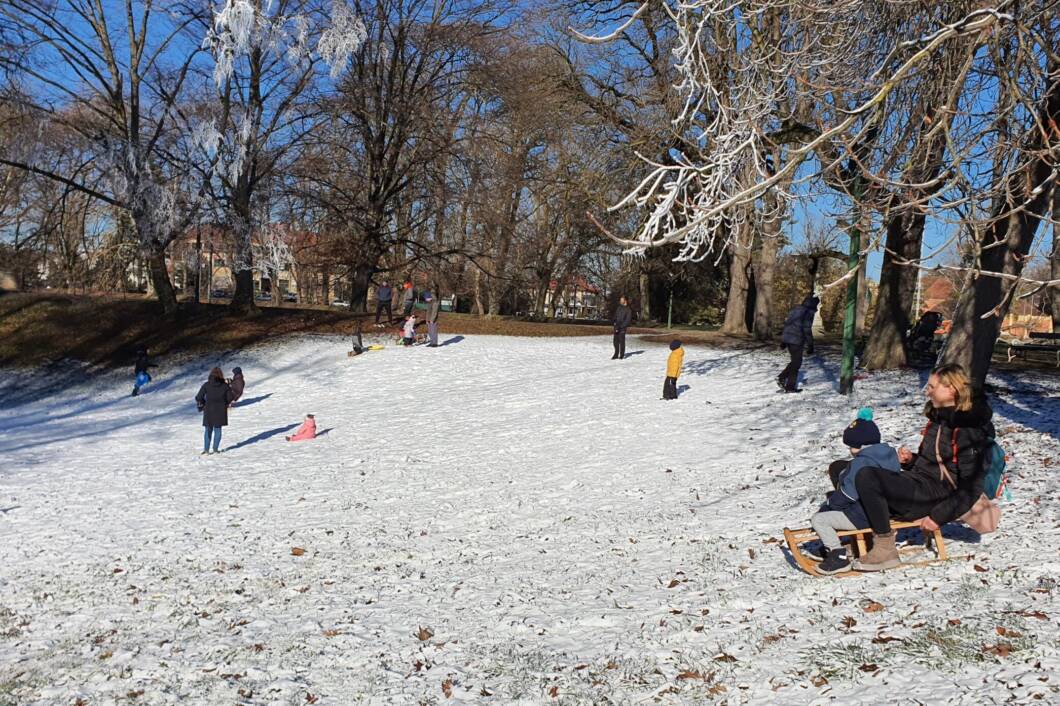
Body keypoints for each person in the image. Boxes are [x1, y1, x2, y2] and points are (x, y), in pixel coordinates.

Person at [853, 364, 994, 571]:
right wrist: (911, 460)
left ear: (951, 389)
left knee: (867, 476)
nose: (926, 391)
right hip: (919, 483)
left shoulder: (968, 431)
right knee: (847, 468)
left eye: (932, 387)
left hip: (935, 495)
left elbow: (971, 486)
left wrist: (939, 517)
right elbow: (936, 463)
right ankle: (852, 534)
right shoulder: (939, 420)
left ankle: (885, 549)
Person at [810, 408, 902, 575]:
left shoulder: (860, 465)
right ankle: (849, 544)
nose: (850, 450)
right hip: (889, 510)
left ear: (859, 446)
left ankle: (838, 556)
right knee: (839, 468)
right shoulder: (889, 454)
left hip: (863, 515)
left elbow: (847, 495)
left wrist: (829, 506)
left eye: (851, 446)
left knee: (819, 520)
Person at [777, 294, 819, 393]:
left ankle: (782, 377)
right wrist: (811, 345)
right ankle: (789, 387)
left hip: (788, 339)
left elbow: (787, 324)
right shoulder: (808, 313)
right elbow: (807, 329)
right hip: (797, 340)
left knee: (795, 361)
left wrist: (784, 340)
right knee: (796, 363)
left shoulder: (796, 309)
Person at [195, 367, 235, 455]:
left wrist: (203, 403)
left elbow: (198, 397)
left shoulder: (206, 385)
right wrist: (225, 403)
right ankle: (215, 449)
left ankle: (206, 450)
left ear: (210, 375)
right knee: (218, 430)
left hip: (208, 410)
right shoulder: (225, 386)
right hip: (220, 411)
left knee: (208, 430)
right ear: (221, 375)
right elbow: (231, 397)